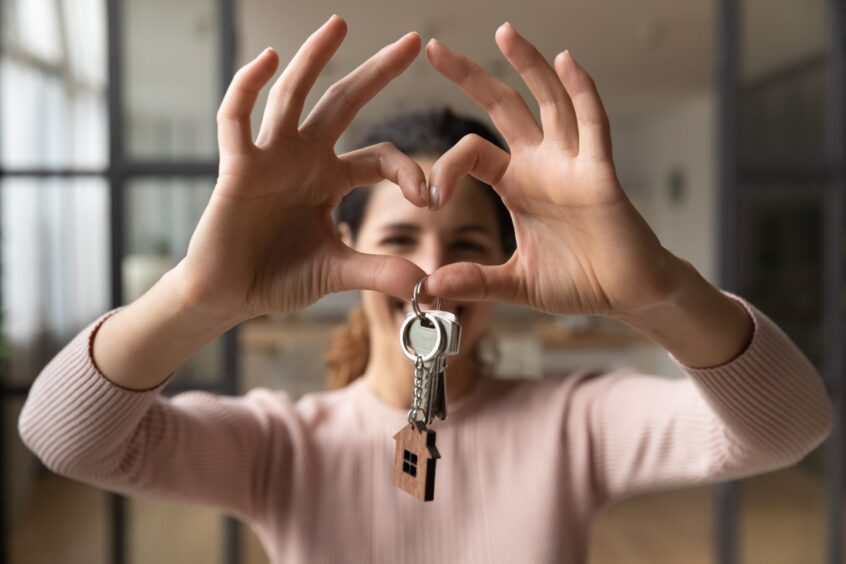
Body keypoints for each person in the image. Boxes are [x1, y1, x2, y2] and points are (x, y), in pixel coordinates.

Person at [18, 15, 832, 564]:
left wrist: (657, 291)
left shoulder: (573, 422)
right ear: (343, 254)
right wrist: (198, 296)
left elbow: (787, 428)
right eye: (401, 241)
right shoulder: (279, 442)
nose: (431, 280)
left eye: (468, 245)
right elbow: (64, 437)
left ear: (510, 270)